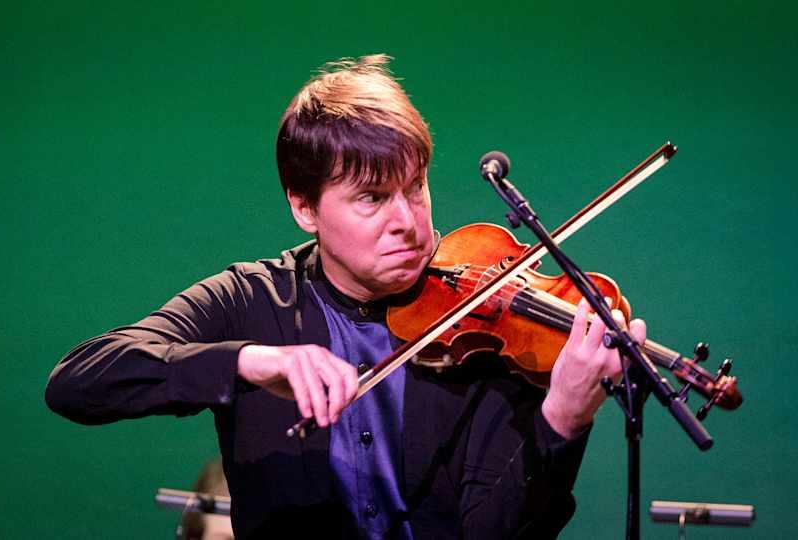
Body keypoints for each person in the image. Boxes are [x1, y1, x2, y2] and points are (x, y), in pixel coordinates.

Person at [46, 54, 646, 539]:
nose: (407, 222)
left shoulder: (481, 325)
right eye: (372, 198)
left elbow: (491, 531)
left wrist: (562, 419)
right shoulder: (252, 300)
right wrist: (251, 361)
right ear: (303, 207)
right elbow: (79, 381)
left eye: (416, 188)